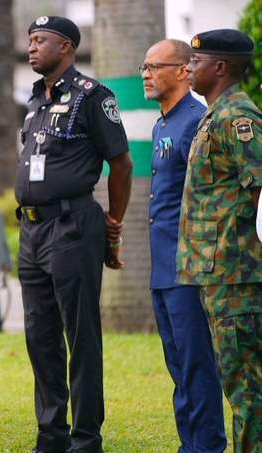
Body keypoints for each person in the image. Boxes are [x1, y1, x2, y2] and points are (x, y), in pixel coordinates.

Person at [15, 16, 133, 453]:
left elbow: (120, 164)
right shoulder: (33, 100)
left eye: (39, 41)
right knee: (39, 335)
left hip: (71, 226)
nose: (31, 48)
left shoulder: (92, 97)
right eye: (29, 41)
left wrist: (114, 221)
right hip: (31, 229)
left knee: (80, 334)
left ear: (65, 46)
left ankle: (86, 439)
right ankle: (51, 436)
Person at [178, 29, 262, 453]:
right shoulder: (216, 114)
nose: (188, 67)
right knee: (238, 383)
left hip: (237, 274)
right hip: (218, 271)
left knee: (248, 387)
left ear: (221, 67)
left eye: (196, 61)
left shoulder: (238, 120)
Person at [142, 39, 226, 453]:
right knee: (177, 362)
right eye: (144, 67)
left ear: (182, 70)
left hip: (189, 263)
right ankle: (189, 443)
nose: (146, 73)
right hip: (163, 264)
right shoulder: (163, 123)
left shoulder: (197, 120)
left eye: (155, 66)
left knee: (196, 362)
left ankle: (207, 445)